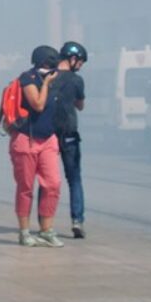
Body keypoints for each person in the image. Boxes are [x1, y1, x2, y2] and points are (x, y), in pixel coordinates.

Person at [9, 45, 64, 247]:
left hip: (48, 139)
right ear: (44, 62)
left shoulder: (53, 78)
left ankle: (46, 230)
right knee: (25, 188)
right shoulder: (28, 79)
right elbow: (38, 105)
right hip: (26, 139)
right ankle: (24, 231)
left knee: (53, 183)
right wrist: (47, 84)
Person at [51, 41, 88, 239]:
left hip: (48, 135)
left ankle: (44, 220)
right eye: (80, 62)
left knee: (48, 180)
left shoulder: (48, 77)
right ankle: (77, 220)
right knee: (74, 179)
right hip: (70, 134)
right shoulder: (76, 80)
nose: (80, 66)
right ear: (72, 59)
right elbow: (80, 105)